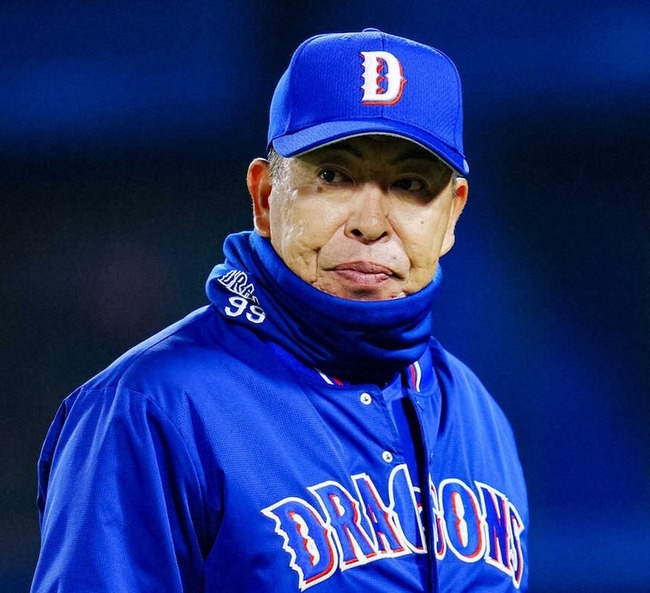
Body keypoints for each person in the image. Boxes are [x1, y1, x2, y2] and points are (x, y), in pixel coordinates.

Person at [31, 28, 528, 592]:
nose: (370, 223)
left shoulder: (477, 415)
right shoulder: (151, 410)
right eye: (333, 177)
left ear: (452, 216)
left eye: (410, 184)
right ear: (266, 197)